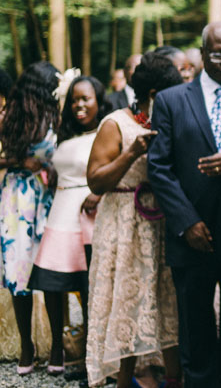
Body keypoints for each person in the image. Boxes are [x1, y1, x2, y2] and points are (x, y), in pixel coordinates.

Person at [148, 21, 221, 388]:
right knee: (195, 324)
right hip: (190, 232)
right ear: (202, 53)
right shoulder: (170, 100)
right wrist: (186, 222)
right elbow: (159, 166)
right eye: (217, 52)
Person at [85, 53, 183, 388]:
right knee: (125, 299)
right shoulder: (116, 123)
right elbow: (96, 181)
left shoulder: (169, 121)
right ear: (155, 95)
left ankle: (174, 378)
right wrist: (131, 153)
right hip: (124, 223)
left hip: (162, 223)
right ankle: (124, 381)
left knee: (165, 300)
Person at [29, 75, 110, 378]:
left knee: (90, 287)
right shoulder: (62, 135)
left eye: (86, 99)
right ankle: (57, 347)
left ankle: (93, 353)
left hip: (90, 213)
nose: (79, 105)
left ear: (99, 102)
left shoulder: (107, 130)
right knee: (52, 282)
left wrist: (99, 192)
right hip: (60, 211)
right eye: (74, 99)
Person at [0, 61, 59, 376]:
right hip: (19, 197)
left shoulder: (61, 116)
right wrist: (16, 159)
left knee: (54, 270)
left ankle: (59, 347)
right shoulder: (13, 116)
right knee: (18, 270)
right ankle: (26, 346)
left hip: (52, 196)